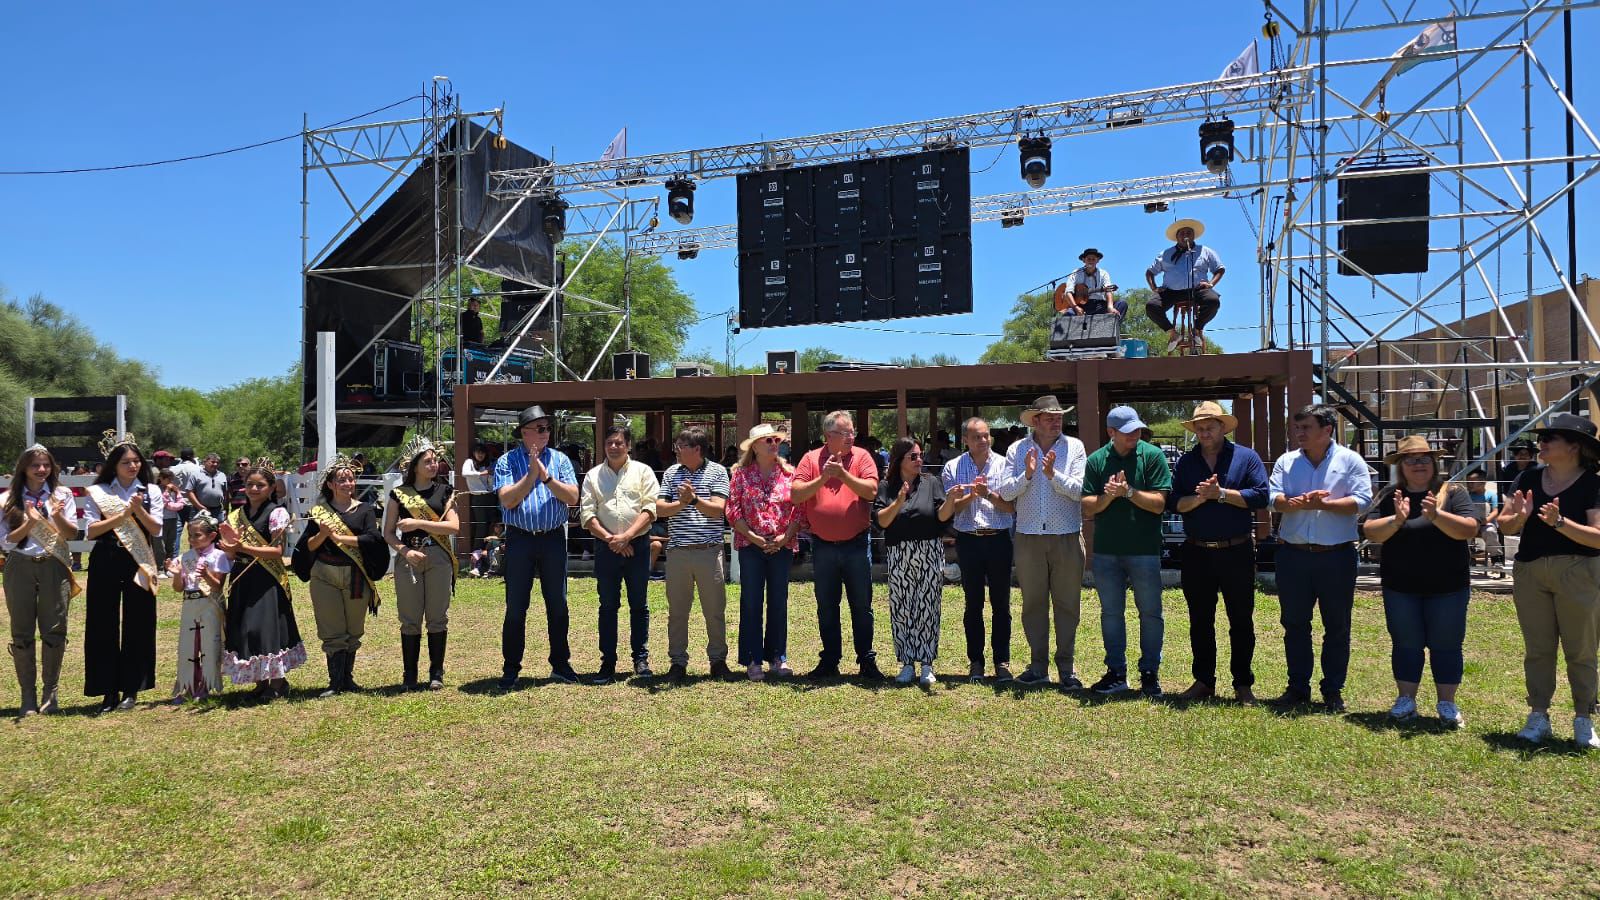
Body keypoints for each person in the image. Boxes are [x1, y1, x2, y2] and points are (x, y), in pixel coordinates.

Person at [1494, 412, 1600, 748]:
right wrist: (1519, 519)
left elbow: (1598, 537)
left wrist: (1560, 523)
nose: (1541, 442)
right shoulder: (1527, 478)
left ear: (1574, 447)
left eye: (1550, 438)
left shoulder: (1594, 483)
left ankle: (1584, 717)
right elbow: (1504, 525)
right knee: (1538, 649)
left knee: (1581, 649)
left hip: (1578, 570)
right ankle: (1538, 714)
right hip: (1530, 570)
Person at [1361, 435, 1480, 727]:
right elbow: (1370, 531)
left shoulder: (1453, 492)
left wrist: (1436, 515)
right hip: (1401, 587)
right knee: (1406, 644)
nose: (1418, 464)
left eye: (1424, 459)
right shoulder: (1390, 495)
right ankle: (1406, 700)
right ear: (1401, 466)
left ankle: (1447, 704)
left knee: (1447, 645)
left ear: (1434, 463)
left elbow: (1469, 529)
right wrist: (1397, 520)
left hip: (1448, 587)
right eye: (1411, 460)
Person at [1268, 404, 1374, 712]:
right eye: (1297, 428)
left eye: (1306, 428)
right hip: (1293, 555)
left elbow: (1363, 502)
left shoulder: (1350, 460)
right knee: (1294, 624)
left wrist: (1324, 505)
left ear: (1327, 430)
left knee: (1337, 626)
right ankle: (1297, 687)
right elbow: (1272, 499)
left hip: (1336, 556)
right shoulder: (1287, 462)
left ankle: (1332, 690)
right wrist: (1292, 504)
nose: (1299, 433)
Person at [1167, 402, 1269, 703]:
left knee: (1240, 620)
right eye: (1199, 427)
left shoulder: (1246, 458)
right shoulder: (1186, 463)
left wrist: (1221, 494)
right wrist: (1199, 499)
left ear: (1223, 427)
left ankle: (1242, 684)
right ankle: (1203, 681)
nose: (1204, 431)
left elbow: (1261, 496)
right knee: (1199, 619)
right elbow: (1174, 502)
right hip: (1197, 552)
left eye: (1210, 425)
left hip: (1236, 550)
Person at [993, 395, 1088, 687]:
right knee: (1033, 604)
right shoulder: (1017, 449)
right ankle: (1038, 666)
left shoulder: (1075, 447)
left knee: (1068, 604)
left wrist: (1053, 474)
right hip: (1029, 537)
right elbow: (1005, 493)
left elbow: (1081, 490)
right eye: (1050, 417)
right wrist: (1029, 474)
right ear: (1035, 420)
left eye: (1059, 416)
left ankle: (1067, 668)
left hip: (1067, 536)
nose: (1057, 421)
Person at [1080, 406, 1173, 697]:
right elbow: (1088, 507)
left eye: (1137, 429)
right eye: (1128, 430)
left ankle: (1149, 673)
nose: (1135, 434)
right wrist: (1109, 496)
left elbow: (1159, 503)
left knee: (1150, 612)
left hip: (1144, 550)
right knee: (1111, 613)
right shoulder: (1096, 460)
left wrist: (1129, 492)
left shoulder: (1153, 456)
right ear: (1111, 433)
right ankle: (1116, 672)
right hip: (1107, 551)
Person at [791, 411, 884, 681]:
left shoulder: (862, 457)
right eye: (845, 433)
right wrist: (822, 477)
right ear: (828, 437)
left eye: (852, 432)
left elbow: (871, 491)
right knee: (827, 606)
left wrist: (843, 474)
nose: (851, 437)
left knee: (861, 605)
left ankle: (866, 660)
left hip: (856, 544)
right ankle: (830, 660)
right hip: (823, 546)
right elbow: (796, 494)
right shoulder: (810, 459)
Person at [494, 404, 581, 688]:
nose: (545, 434)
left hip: (552, 538)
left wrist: (545, 476)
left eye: (547, 428)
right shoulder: (506, 461)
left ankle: (560, 663)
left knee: (558, 604)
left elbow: (572, 497)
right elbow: (507, 499)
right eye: (540, 428)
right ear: (524, 432)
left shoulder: (560, 460)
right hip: (519, 539)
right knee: (516, 607)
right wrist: (531, 475)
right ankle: (511, 668)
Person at [876, 437, 972, 687]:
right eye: (914, 457)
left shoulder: (932, 483)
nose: (920, 460)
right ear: (899, 461)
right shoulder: (887, 486)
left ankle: (927, 664)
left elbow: (941, 516)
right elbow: (882, 522)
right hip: (899, 552)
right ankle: (907, 663)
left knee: (928, 606)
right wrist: (898, 500)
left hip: (929, 550)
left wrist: (952, 499)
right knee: (902, 608)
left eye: (920, 456)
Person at [292, 456, 389, 698]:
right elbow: (308, 547)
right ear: (331, 485)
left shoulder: (365, 510)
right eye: (341, 479)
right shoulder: (319, 513)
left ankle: (348, 679)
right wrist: (323, 533)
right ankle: (335, 681)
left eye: (350, 479)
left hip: (356, 574)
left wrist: (343, 539)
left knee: (353, 628)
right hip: (324, 573)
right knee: (332, 628)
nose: (347, 483)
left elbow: (372, 539)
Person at [82, 432, 164, 714]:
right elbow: (91, 531)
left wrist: (138, 511)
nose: (133, 466)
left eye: (137, 461)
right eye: (127, 462)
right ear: (113, 464)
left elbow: (156, 529)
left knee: (138, 621)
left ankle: (131, 688)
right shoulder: (99, 491)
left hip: (138, 560)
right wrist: (121, 516)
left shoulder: (151, 491)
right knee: (101, 622)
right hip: (106, 556)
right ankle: (107, 689)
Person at [2, 444, 81, 716]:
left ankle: (51, 694)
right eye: (35, 465)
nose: (41, 470)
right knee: (22, 631)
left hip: (53, 565)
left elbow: (71, 534)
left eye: (46, 465)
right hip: (19, 565)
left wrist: (56, 515)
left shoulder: (61, 495)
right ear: (24, 467)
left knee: (54, 629)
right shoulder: (8, 500)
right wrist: (29, 522)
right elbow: (6, 541)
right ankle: (27, 696)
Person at [579, 425, 660, 683]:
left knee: (639, 605)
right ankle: (608, 663)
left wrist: (626, 537)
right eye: (609, 442)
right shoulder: (593, 476)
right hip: (606, 549)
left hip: (638, 546)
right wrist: (612, 539)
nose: (613, 446)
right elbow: (587, 514)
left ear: (628, 446)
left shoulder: (643, 472)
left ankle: (640, 659)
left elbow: (650, 508)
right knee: (608, 606)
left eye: (618, 442)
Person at [727, 423, 807, 682]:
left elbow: (799, 509)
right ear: (754, 447)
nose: (774, 444)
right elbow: (733, 510)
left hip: (781, 546)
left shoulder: (790, 474)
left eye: (776, 440)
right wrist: (754, 537)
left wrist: (785, 537)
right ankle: (752, 658)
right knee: (750, 602)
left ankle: (777, 657)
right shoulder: (740, 475)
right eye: (768, 441)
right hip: (751, 546)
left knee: (778, 602)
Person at [219, 464, 306, 700]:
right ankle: (260, 681)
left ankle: (278, 682)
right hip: (242, 577)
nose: (254, 488)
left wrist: (241, 547)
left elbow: (277, 551)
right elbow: (230, 553)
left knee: (266, 629)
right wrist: (228, 550)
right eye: (249, 484)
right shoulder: (236, 515)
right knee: (246, 628)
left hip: (266, 578)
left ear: (270, 489)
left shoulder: (277, 513)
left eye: (260, 485)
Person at [941, 417, 1018, 682]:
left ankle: (1002, 662)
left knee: (1001, 604)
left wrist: (987, 494)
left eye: (986, 436)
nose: (983, 441)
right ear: (965, 440)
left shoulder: (1005, 464)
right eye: (977, 437)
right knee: (972, 604)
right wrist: (973, 495)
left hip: (998, 539)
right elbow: (952, 510)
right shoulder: (953, 467)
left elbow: (1011, 507)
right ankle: (976, 661)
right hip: (969, 540)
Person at [655, 427, 732, 684]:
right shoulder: (670, 473)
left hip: (709, 552)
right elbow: (660, 509)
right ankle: (677, 662)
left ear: (696, 449)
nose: (676, 450)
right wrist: (683, 503)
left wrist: (694, 499)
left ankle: (718, 661)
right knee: (677, 612)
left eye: (681, 446)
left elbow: (718, 510)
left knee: (714, 610)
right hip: (678, 553)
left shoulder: (718, 472)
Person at [383, 437, 460, 691]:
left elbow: (453, 526)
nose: (433, 465)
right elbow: (388, 533)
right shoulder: (399, 494)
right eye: (427, 461)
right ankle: (410, 674)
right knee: (410, 617)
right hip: (408, 558)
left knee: (437, 617)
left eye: (435, 460)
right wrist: (405, 551)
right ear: (414, 466)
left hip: (438, 556)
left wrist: (419, 524)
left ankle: (436, 672)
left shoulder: (445, 491)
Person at [167, 513, 229, 702]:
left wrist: (206, 574)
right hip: (190, 602)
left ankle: (206, 685)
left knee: (209, 644)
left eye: (197, 535)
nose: (192, 539)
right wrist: (178, 574)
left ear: (212, 536)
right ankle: (187, 685)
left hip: (209, 602)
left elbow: (217, 585)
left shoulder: (219, 556)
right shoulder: (185, 557)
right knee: (188, 646)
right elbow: (178, 588)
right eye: (190, 535)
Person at [1144, 219, 1224, 353]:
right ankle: (1173, 334)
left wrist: (1210, 284)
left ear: (1193, 236)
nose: (1185, 235)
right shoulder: (1165, 254)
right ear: (1177, 236)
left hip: (1197, 289)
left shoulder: (1204, 250)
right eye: (1182, 233)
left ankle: (1197, 329)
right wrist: (1154, 288)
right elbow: (1150, 272)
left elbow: (1220, 269)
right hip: (1171, 291)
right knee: (1151, 306)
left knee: (1213, 301)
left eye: (1189, 232)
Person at [1056, 248, 1126, 318]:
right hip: (1081, 305)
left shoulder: (1104, 273)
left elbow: (1108, 291)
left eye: (1093, 259)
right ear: (1084, 260)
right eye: (1088, 259)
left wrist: (1110, 307)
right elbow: (1068, 292)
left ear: (1098, 260)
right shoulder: (1076, 273)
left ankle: (1111, 327)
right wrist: (1076, 307)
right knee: (1068, 314)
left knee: (1122, 304)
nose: (1091, 261)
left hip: (1099, 305)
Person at [186, 453, 229, 522]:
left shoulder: (222, 475)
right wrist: (200, 507)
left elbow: (225, 493)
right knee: (199, 531)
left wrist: (226, 508)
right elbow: (189, 492)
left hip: (217, 510)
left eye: (217, 462)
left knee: (218, 531)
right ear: (205, 462)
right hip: (199, 510)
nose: (215, 464)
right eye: (213, 462)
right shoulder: (196, 474)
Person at [158, 471, 187, 566]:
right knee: (161, 545)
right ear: (161, 478)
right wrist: (166, 491)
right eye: (168, 479)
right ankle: (161, 567)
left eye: (171, 479)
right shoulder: (157, 489)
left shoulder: (174, 490)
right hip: (162, 519)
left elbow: (181, 503)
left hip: (173, 519)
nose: (170, 481)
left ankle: (169, 566)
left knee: (171, 544)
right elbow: (163, 503)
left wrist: (177, 491)